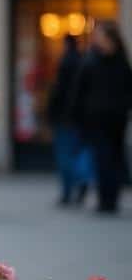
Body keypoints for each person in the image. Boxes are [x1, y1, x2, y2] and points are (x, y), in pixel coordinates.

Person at [71, 20, 132, 215]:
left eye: (102, 36)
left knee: (113, 157)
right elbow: (79, 91)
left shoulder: (121, 62)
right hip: (95, 119)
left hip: (117, 119)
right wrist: (78, 117)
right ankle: (105, 199)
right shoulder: (91, 60)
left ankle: (111, 198)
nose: (98, 40)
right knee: (101, 158)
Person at [48, 35, 91, 206]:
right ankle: (80, 182)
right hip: (80, 118)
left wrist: (52, 113)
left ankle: (69, 190)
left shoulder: (65, 63)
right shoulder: (84, 61)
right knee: (77, 153)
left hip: (65, 117)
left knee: (65, 155)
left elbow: (59, 92)